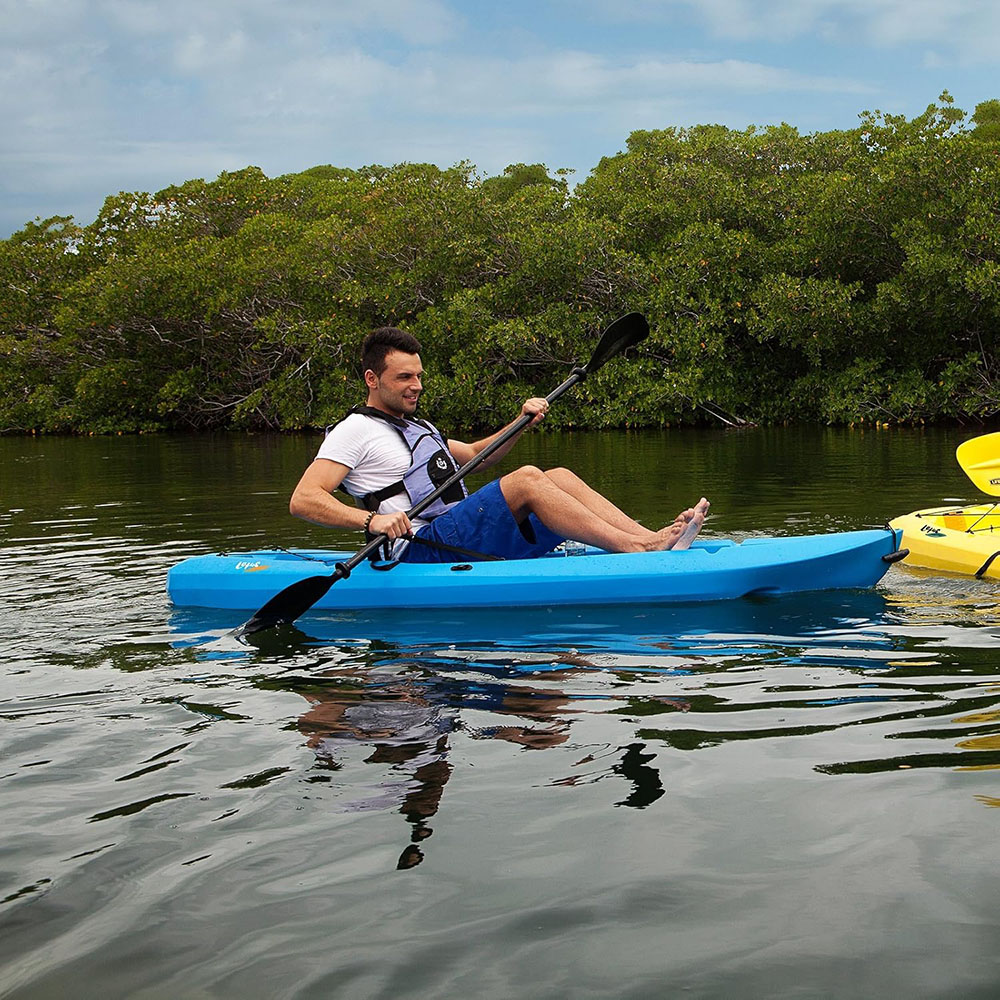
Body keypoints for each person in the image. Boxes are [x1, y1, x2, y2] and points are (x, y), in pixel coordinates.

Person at [289, 326, 709, 562]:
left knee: (556, 476)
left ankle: (647, 538)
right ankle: (639, 549)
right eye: (404, 378)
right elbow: (303, 499)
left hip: (454, 531)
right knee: (527, 479)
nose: (416, 386)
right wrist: (372, 522)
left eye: (418, 376)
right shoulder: (354, 430)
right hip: (418, 548)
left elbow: (474, 456)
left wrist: (520, 423)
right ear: (371, 379)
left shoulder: (415, 426)